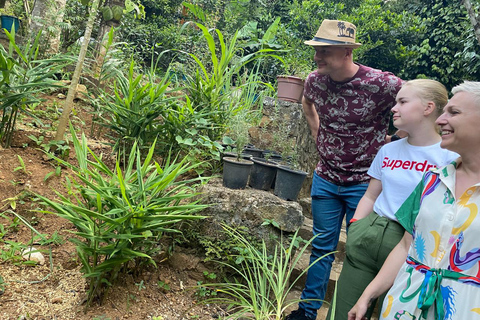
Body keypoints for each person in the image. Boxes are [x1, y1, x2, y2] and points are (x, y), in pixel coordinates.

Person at [286, 19, 403, 320]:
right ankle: (308, 311)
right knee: (322, 246)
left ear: (348, 50)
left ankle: (348, 312)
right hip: (325, 178)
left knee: (358, 252)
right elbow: (307, 103)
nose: (317, 57)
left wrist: (394, 143)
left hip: (365, 184)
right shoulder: (315, 80)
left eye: (324, 50)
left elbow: (418, 106)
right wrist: (317, 134)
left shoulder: (382, 83)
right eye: (316, 50)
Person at [348, 81, 480, 320]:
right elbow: (406, 245)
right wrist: (367, 296)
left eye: (454, 112)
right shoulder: (432, 181)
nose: (441, 119)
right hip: (403, 306)